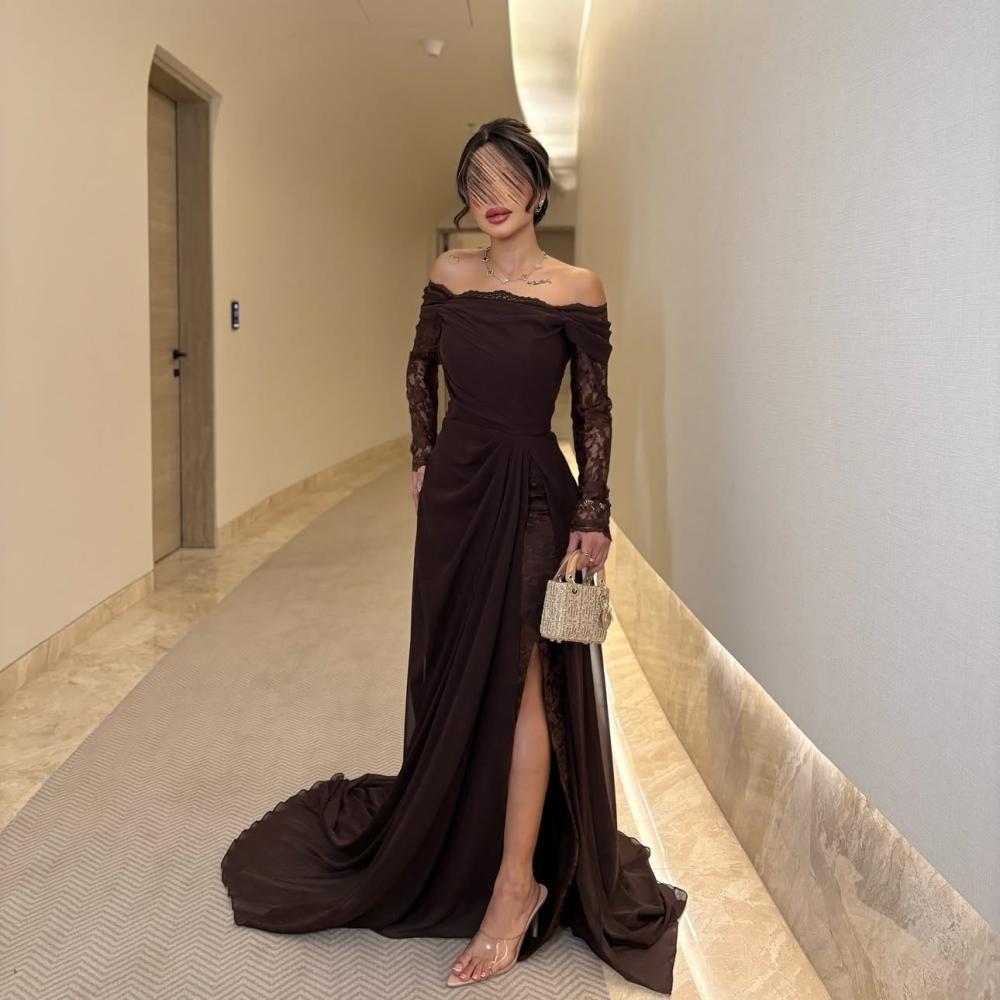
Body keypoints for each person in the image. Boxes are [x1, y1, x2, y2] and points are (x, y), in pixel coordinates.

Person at [220, 117, 687, 994]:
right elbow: (418, 367)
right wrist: (424, 455)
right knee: (456, 667)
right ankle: (464, 835)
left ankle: (515, 884)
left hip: (537, 492)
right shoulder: (449, 274)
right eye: (476, 182)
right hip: (458, 495)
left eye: (508, 178)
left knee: (525, 674)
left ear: (538, 189)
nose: (491, 196)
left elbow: (594, 407)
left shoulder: (577, 287)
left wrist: (594, 506)